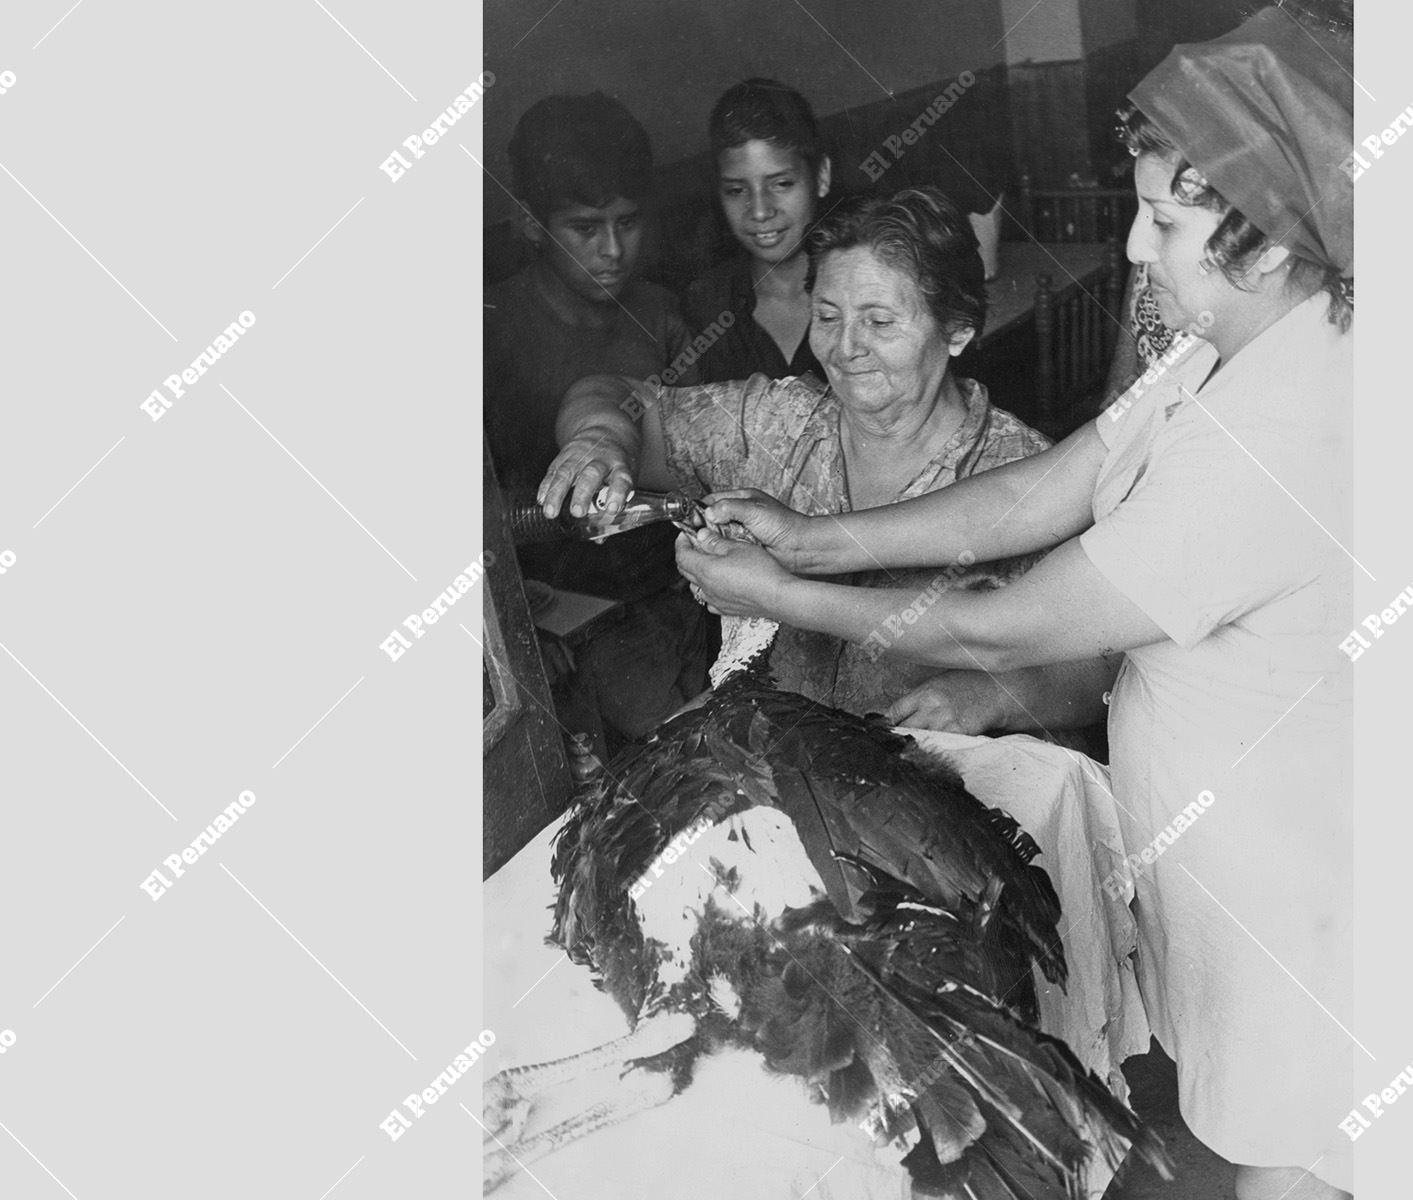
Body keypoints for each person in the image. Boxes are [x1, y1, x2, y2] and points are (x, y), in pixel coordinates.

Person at [670, 9, 1355, 1197]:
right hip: (1234, 863)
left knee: (1295, 1155)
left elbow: (1010, 621)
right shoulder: (1226, 346)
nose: (1136, 247)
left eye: (1170, 221)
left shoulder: (1291, 429)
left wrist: (778, 590)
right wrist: (817, 538)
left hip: (1292, 872)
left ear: (1276, 237)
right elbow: (1055, 484)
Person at [536, 186, 1120, 738]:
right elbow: (616, 395)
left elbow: (1104, 670)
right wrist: (598, 439)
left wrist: (991, 695)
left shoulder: (1027, 472)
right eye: (828, 316)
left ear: (958, 331)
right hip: (778, 770)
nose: (845, 348)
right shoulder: (775, 421)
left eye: (880, 321)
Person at [485, 90, 709, 743]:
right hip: (546, 623)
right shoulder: (490, 331)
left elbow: (700, 466)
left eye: (628, 222)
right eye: (586, 228)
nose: (613, 250)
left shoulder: (663, 315)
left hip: (673, 598)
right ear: (529, 222)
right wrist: (521, 631)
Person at [681, 78, 831, 384]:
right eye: (737, 190)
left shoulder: (864, 287)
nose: (760, 211)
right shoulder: (704, 307)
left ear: (821, 177)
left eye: (782, 184)